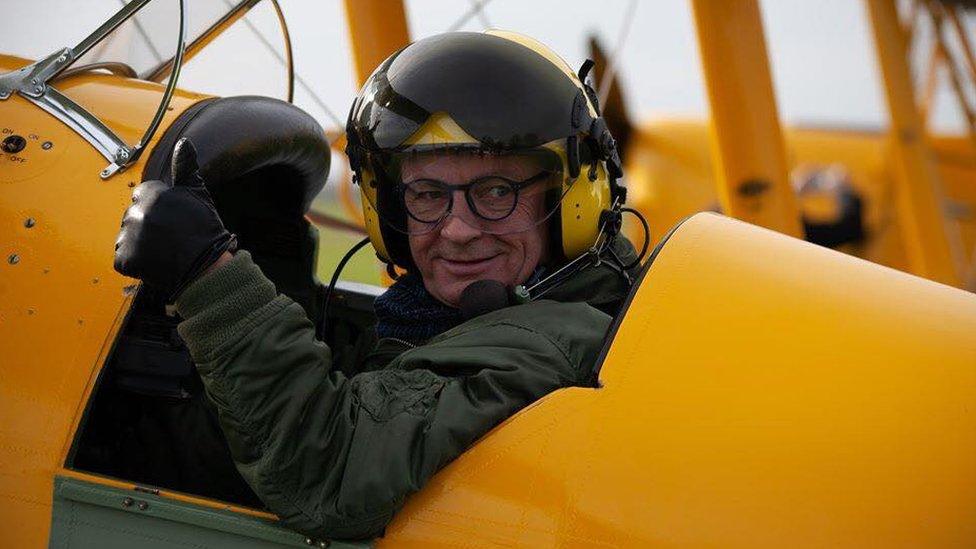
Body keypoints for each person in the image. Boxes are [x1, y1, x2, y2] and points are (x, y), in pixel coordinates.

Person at [114, 30, 642, 540]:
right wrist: (267, 253)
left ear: (572, 198)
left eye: (497, 191)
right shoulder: (433, 322)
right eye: (427, 195)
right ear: (389, 209)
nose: (457, 231)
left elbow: (327, 473)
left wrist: (212, 278)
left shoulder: (556, 338)